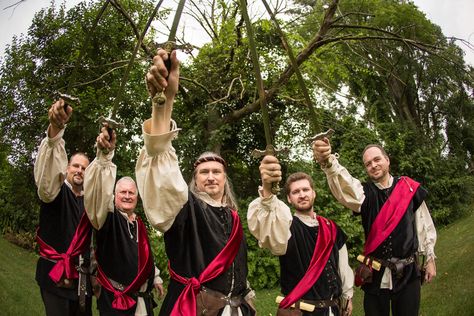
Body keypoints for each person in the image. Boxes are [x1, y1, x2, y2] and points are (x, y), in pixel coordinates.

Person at [135, 48, 255, 315]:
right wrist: (164, 103)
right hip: (192, 308)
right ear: (194, 180)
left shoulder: (233, 217)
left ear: (225, 179)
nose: (211, 176)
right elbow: (161, 163)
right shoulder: (184, 208)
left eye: (217, 172)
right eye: (204, 172)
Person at [312, 140, 437, 316]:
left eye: (377, 160)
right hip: (375, 275)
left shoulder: (408, 188)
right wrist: (329, 163)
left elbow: (423, 223)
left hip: (408, 272)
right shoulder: (364, 194)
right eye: (368, 164)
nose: (373, 165)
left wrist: (430, 258)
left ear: (387, 160)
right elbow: (344, 185)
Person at [248, 155, 354, 316]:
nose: (302, 194)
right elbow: (271, 225)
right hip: (300, 310)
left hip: (333, 309)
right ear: (289, 199)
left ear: (314, 193)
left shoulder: (331, 228)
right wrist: (267, 190)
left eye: (305, 190)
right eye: (296, 192)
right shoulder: (285, 227)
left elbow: (343, 266)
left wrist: (347, 296)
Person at [83, 125, 164, 315]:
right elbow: (99, 193)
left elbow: (144, 255)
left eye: (131, 193)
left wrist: (157, 277)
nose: (127, 196)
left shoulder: (139, 223)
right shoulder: (107, 216)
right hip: (116, 299)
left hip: (142, 299)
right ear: (114, 195)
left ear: (137, 197)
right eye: (122, 192)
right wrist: (104, 156)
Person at [34, 99, 93, 316]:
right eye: (76, 166)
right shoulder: (55, 189)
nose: (79, 171)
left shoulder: (90, 201)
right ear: (67, 168)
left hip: (82, 281)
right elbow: (49, 169)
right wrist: (56, 129)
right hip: (54, 275)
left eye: (84, 168)